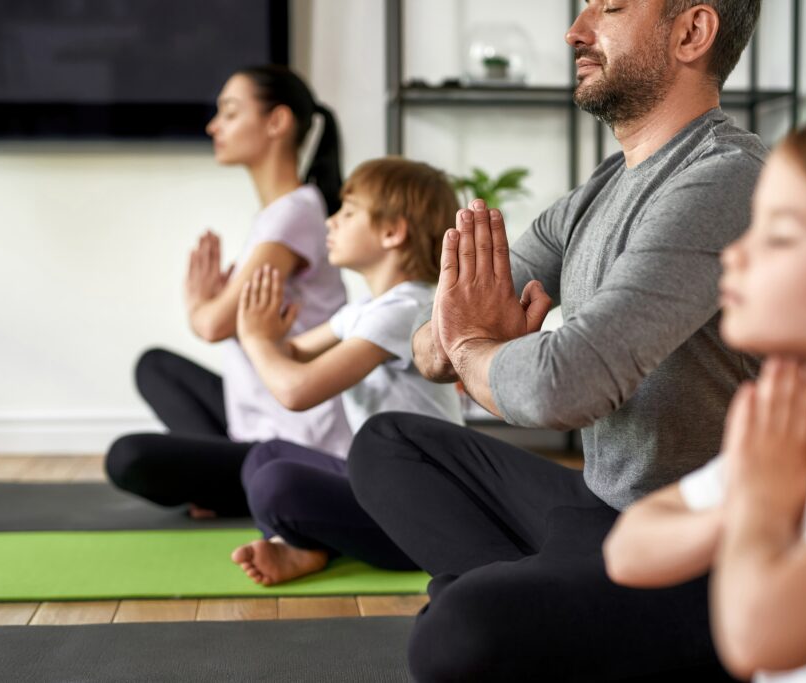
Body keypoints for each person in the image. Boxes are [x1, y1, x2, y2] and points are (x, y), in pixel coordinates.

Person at [348, 1, 766, 681]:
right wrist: (469, 344)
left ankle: (523, 605)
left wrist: (480, 351)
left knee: (453, 635)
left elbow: (564, 385)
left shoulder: (726, 181)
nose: (576, 30)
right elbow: (430, 344)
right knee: (388, 445)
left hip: (700, 552)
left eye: (610, 8)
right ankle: (549, 607)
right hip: (597, 511)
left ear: (691, 32)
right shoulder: (594, 194)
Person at [604, 111, 806, 683]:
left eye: (779, 236)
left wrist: (761, 508)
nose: (734, 253)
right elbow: (628, 550)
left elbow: (757, 634)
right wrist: (740, 508)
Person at [105, 65, 352, 518]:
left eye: (230, 113)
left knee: (128, 457)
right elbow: (228, 319)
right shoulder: (280, 213)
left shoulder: (294, 212)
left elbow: (215, 323)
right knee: (156, 367)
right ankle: (229, 483)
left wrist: (200, 302)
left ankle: (237, 486)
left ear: (276, 122)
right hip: (255, 418)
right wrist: (216, 305)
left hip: (295, 440)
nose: (213, 126)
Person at [228, 157, 464, 585]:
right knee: (264, 456)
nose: (331, 223)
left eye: (348, 212)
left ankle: (302, 543)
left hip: (420, 512)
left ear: (392, 232)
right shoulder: (364, 310)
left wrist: (256, 340)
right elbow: (294, 353)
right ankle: (303, 546)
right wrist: (267, 335)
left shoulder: (407, 308)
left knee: (276, 485)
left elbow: (297, 390)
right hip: (375, 482)